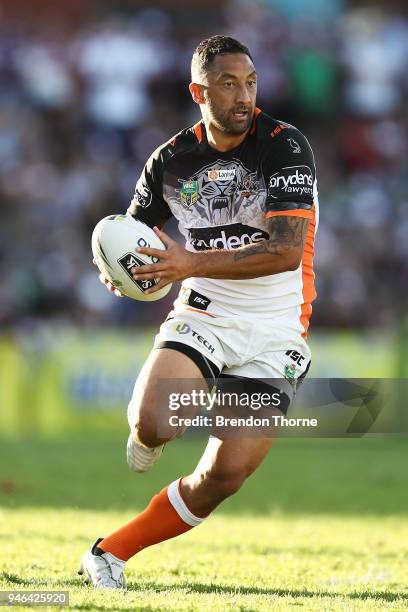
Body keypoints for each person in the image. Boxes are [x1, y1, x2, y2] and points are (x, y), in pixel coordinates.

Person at [79, 35, 318, 588]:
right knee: (155, 420)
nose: (243, 96)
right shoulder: (170, 160)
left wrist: (187, 261)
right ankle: (146, 437)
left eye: (251, 82)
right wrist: (123, 272)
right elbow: (133, 237)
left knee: (223, 475)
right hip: (206, 312)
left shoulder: (284, 145)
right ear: (198, 92)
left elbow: (284, 251)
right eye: (229, 84)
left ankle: (108, 553)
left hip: (277, 328)